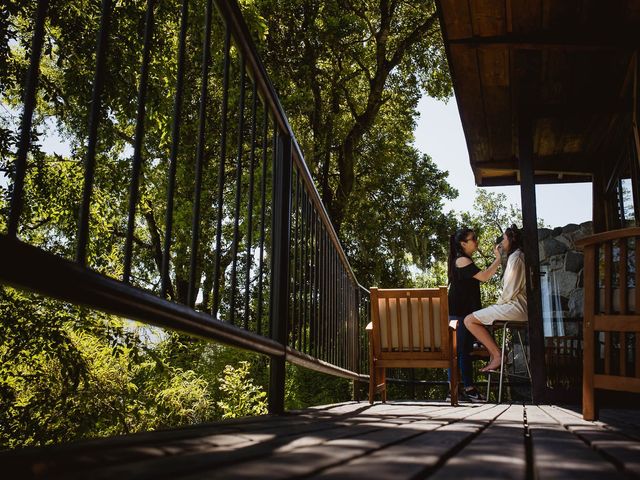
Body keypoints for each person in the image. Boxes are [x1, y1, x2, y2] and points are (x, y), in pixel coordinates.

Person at [447, 227, 501, 402]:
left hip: (463, 314)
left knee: (462, 352)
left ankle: (459, 391)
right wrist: (498, 258)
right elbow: (484, 276)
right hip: (458, 314)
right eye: (473, 239)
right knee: (460, 351)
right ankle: (465, 390)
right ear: (463, 243)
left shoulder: (463, 259)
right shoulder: (461, 260)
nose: (476, 241)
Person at [464, 224, 527, 373]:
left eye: (504, 238)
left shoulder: (516, 258)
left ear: (511, 240)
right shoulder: (515, 257)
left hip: (516, 307)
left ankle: (498, 355)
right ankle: (494, 353)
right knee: (480, 320)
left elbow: (510, 290)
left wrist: (497, 306)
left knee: (469, 320)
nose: (501, 242)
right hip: (516, 306)